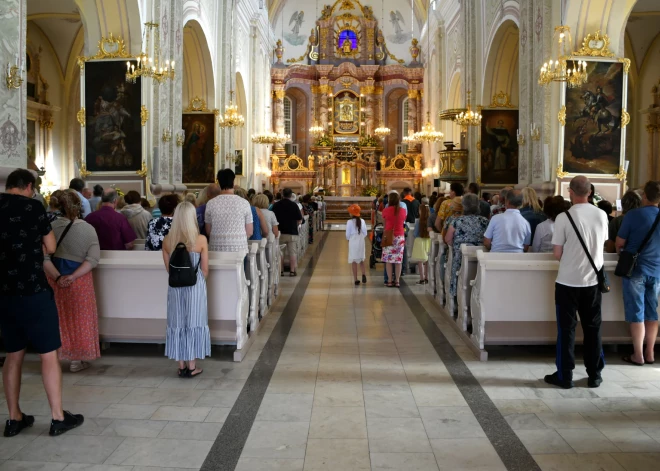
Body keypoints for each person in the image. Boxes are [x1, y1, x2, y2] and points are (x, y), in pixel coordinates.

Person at [0, 169, 84, 437]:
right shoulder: (33, 206)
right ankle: (58, 418)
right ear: (28, 186)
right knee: (49, 354)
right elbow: (50, 247)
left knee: (13, 355)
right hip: (34, 290)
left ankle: (14, 418)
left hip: (5, 292)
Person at [545, 176, 608, 389]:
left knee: (566, 329)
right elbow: (601, 245)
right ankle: (594, 374)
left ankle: (565, 376)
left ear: (570, 192)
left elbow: (557, 253)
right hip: (592, 282)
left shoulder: (564, 217)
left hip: (567, 281)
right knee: (593, 328)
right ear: (590, 192)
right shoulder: (601, 215)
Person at [42, 190, 101, 373]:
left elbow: (43, 258)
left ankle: (56, 358)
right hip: (79, 281)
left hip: (54, 279)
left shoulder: (50, 227)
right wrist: (73, 276)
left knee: (58, 319)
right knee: (79, 318)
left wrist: (58, 277)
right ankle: (77, 360)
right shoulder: (88, 229)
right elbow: (93, 259)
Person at [162, 201, 211, 378]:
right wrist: (197, 281)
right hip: (195, 285)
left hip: (175, 287)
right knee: (193, 322)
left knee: (177, 322)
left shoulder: (168, 241)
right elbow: (205, 270)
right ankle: (192, 366)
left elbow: (169, 269)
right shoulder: (200, 240)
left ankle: (181, 365)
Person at [616, 181, 660, 366]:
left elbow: (619, 242)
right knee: (652, 312)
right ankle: (650, 353)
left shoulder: (633, 215)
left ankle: (638, 354)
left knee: (637, 312)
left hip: (635, 270)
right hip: (657, 270)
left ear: (644, 196)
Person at [444, 194, 489, 298]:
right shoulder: (485, 221)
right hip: (480, 257)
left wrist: (456, 245)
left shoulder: (457, 221)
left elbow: (448, 239)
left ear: (464, 206)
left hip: (460, 257)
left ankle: (456, 296)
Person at [205, 169, 253, 252]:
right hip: (239, 250)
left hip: (217, 250)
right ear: (233, 182)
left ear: (219, 183)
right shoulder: (244, 203)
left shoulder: (210, 204)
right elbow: (249, 232)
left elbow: (208, 231)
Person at [272, 188, 303, 276]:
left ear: (282, 194)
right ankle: (292, 271)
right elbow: (300, 219)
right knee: (292, 252)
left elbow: (273, 218)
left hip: (280, 232)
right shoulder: (294, 205)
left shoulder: (276, 205)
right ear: (291, 195)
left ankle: (281, 271)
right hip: (292, 232)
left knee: (281, 252)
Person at [382, 192, 407, 288]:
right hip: (400, 236)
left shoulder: (386, 210)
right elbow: (403, 221)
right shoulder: (403, 211)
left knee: (388, 260)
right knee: (398, 260)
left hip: (389, 236)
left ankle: (389, 281)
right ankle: (397, 281)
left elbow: (384, 224)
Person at [411, 198, 432, 284]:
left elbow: (415, 233)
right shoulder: (430, 220)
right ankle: (427, 278)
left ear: (421, 211)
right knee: (427, 261)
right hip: (428, 241)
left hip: (419, 241)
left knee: (420, 261)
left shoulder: (418, 221)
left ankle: (422, 278)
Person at [346, 204, 368, 285]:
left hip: (353, 240)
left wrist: (348, 240)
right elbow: (365, 232)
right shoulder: (362, 221)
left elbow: (347, 234)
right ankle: (363, 274)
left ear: (352, 213)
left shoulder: (349, 222)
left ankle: (355, 279)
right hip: (361, 240)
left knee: (354, 260)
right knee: (361, 259)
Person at [402, 188, 420, 275]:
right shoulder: (416, 202)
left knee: (407, 243)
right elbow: (418, 213)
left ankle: (407, 260)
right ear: (411, 192)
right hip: (414, 223)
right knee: (413, 243)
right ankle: (414, 259)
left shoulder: (402, 202)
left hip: (405, 224)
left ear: (404, 193)